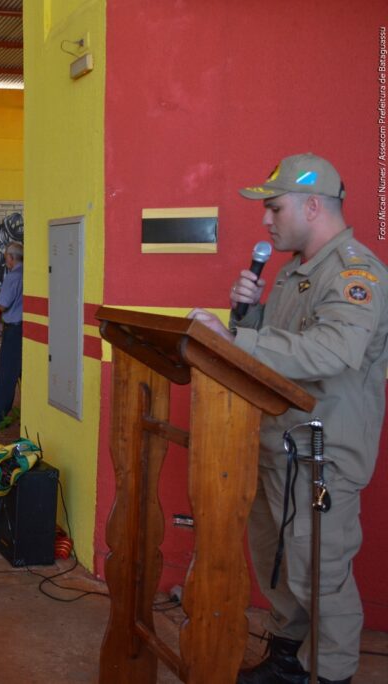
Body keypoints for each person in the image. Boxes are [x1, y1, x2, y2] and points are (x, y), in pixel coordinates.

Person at [186, 154, 388, 684]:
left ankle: (330, 674)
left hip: (322, 457)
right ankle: (288, 661)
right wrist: (246, 317)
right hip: (280, 445)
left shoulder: (353, 273)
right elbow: (276, 355)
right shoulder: (293, 274)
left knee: (320, 573)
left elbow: (335, 350)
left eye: (274, 207)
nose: (265, 220)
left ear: (313, 205)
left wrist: (239, 337)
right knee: (278, 563)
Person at [0, 242, 23, 426]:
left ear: (10, 257)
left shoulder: (13, 277)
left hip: (14, 331)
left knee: (6, 375)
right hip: (26, 329)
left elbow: (2, 305)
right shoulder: (28, 274)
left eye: (5, 256)